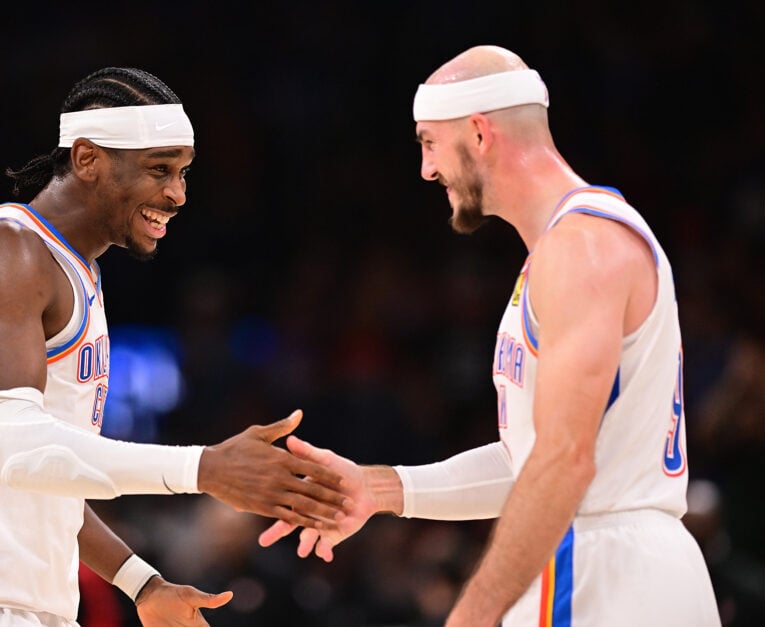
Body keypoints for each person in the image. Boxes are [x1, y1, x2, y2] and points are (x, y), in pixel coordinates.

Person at [260, 45, 721, 626]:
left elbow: (562, 464)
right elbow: (530, 464)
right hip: (619, 565)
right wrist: (378, 490)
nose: (427, 168)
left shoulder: (582, 246)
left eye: (429, 142)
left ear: (479, 134)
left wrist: (472, 614)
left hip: (601, 573)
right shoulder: (563, 248)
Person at [0, 66, 348, 627]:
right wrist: (205, 468)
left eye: (183, 172)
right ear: (87, 159)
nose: (177, 193)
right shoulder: (5, 252)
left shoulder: (79, 273)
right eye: (159, 170)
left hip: (21, 605)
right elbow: (15, 449)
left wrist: (140, 582)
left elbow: (51, 479)